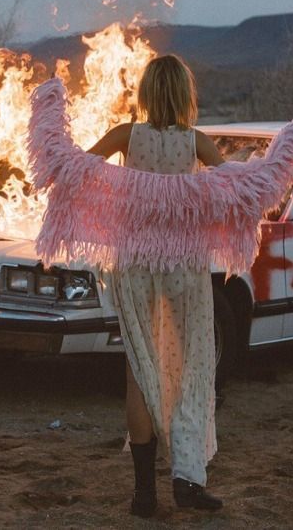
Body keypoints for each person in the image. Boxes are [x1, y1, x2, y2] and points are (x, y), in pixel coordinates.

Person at [87, 54, 224, 517]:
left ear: (146, 94)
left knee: (139, 370)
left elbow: (82, 171)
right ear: (186, 95)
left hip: (135, 262)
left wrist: (122, 200)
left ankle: (144, 494)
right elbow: (232, 188)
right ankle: (187, 479)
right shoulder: (198, 144)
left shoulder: (128, 136)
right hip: (183, 263)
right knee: (192, 366)